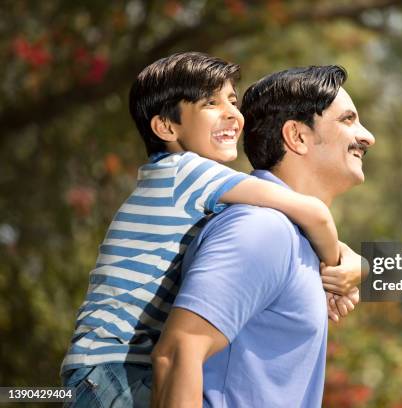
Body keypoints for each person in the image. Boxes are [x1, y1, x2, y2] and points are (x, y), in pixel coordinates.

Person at [60, 53, 362, 407]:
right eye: (211, 103)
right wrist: (337, 266)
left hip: (104, 368)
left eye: (233, 101)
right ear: (166, 127)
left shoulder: (197, 190)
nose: (233, 114)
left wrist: (354, 264)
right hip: (112, 369)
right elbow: (313, 214)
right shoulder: (188, 174)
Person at [152, 65, 375, 407]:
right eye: (347, 120)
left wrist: (357, 265)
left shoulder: (292, 237)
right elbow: (177, 353)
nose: (367, 136)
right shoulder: (262, 229)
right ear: (297, 136)